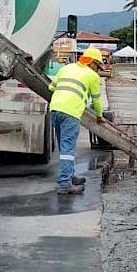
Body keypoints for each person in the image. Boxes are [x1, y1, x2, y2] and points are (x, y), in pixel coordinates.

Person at [49, 47, 106, 194]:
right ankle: (64, 184)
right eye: (98, 66)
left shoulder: (66, 68)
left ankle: (69, 176)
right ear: (92, 63)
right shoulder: (92, 76)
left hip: (55, 110)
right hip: (71, 113)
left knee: (64, 148)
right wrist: (99, 116)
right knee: (68, 149)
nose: (98, 70)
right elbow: (97, 101)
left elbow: (51, 87)